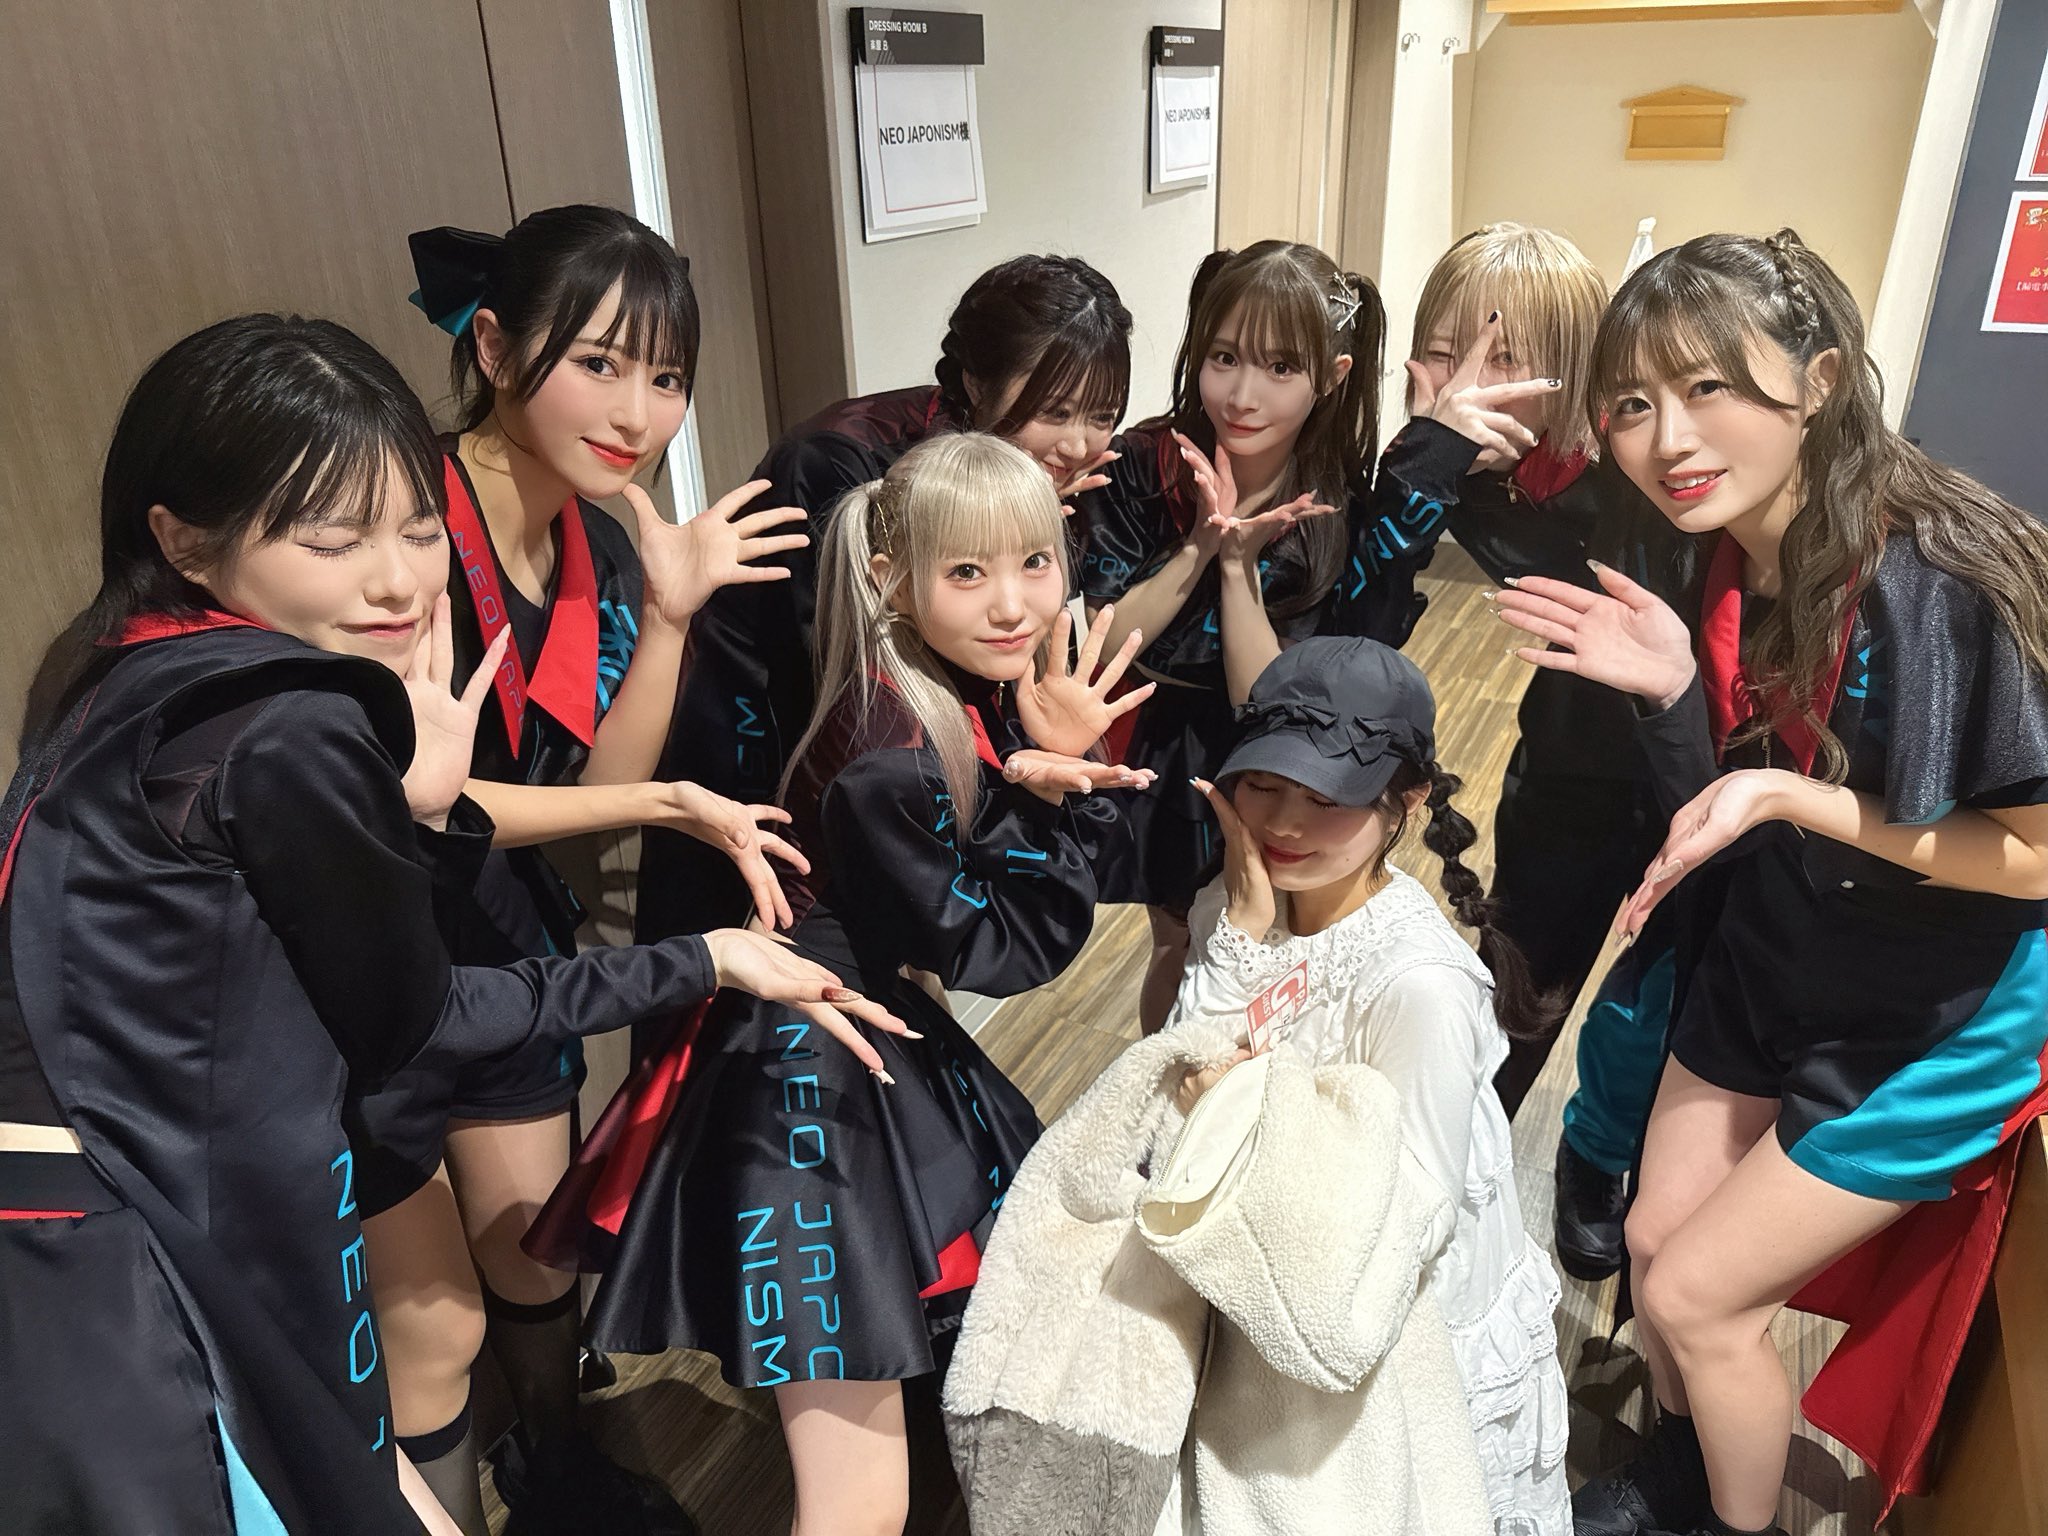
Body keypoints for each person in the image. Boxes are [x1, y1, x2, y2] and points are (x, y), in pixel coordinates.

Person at [0, 314, 899, 1536]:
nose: (397, 582)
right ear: (183, 539)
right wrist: (705, 957)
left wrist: (421, 808)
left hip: (85, 1203)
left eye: (418, 530)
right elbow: (417, 1018)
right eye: (332, 540)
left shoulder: (111, 671)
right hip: (140, 1238)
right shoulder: (290, 719)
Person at [1495, 230, 2048, 1536]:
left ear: (1820, 380)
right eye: (1633, 404)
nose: (1668, 438)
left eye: (1707, 387)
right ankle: (1686, 1470)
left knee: (1697, 1299)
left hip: (1939, 1007)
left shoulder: (1930, 582)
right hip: (1779, 944)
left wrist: (1797, 798)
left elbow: (2034, 853)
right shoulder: (1720, 551)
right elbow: (1727, 800)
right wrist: (1675, 693)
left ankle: (1725, 1526)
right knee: (1650, 1243)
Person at [565, 433, 1152, 1536]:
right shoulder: (894, 749)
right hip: (808, 1077)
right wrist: (1054, 804)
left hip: (831, 1031)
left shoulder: (924, 687)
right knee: (859, 1506)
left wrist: (1032, 773)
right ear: (890, 578)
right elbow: (994, 950)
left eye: (1034, 561)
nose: (1013, 604)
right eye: (967, 571)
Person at [363, 205, 813, 1534]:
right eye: (599, 363)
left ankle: (552, 1464)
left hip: (502, 926)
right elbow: (416, 804)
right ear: (494, 348)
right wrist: (667, 800)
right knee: (430, 1319)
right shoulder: (401, 532)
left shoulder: (596, 541)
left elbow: (581, 800)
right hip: (363, 944)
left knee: (530, 1257)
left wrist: (668, 615)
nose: (636, 412)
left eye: (664, 376)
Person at [1170, 637, 1569, 1533]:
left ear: (1408, 800)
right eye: (1261, 784)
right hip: (1266, 1285)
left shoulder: (1417, 985)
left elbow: (1415, 1215)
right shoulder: (1236, 905)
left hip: (1384, 1324)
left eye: (1327, 799)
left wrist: (1236, 1116)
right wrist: (1235, 941)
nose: (1284, 824)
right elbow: (1175, 1093)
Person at [637, 253, 1134, 946]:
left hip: (896, 763)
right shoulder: (841, 460)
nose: (1079, 443)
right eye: (1055, 411)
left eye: (1102, 416)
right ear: (976, 382)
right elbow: (842, 659)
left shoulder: (1037, 474)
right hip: (773, 733)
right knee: (726, 959)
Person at [1078, 239, 1510, 1034]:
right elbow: (1107, 647)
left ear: (1333, 376)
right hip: (1170, 754)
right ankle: (1164, 1093)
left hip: (1288, 763)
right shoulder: (1144, 463)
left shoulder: (1335, 502)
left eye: (1281, 367)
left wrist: (1239, 566)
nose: (1242, 395)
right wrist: (1203, 544)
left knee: (1282, 944)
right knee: (1182, 940)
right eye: (1223, 357)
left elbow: (1267, 706)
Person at [1391, 222, 1685, 1278]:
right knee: (1520, 979)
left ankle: (1597, 1155)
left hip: (1699, 764)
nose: (1469, 382)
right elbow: (1373, 584)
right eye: (1444, 352)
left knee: (1662, 993)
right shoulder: (1462, 464)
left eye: (1506, 358)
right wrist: (1425, 456)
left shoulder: (1650, 464)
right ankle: (1453, 1175)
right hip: (1565, 759)